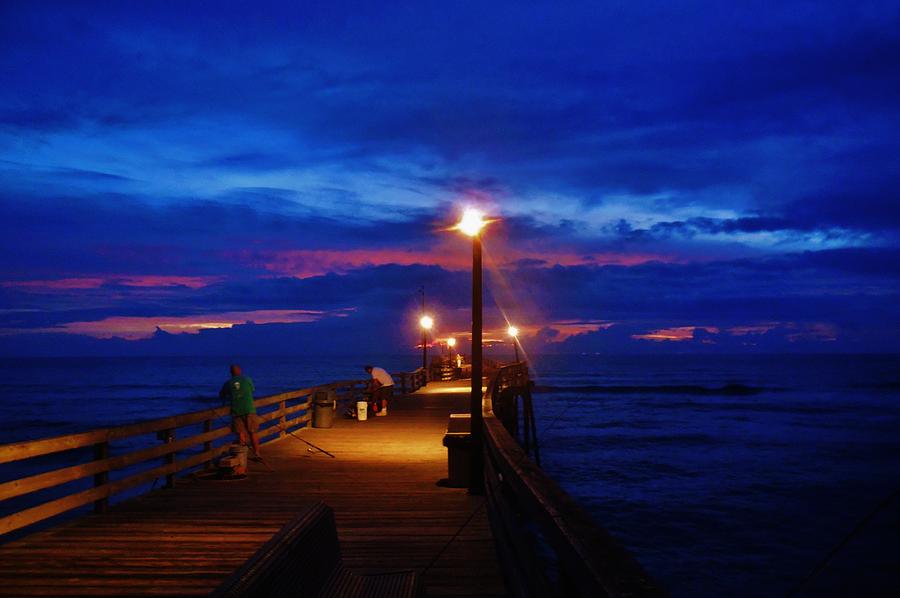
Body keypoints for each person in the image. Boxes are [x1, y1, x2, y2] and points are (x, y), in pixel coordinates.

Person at [219, 364, 261, 458]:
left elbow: (222, 395)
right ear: (240, 371)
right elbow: (252, 390)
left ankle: (242, 455)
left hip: (236, 411)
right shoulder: (247, 380)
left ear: (231, 372)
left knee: (240, 433)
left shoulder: (228, 383)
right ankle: (257, 452)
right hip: (249, 409)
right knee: (253, 432)